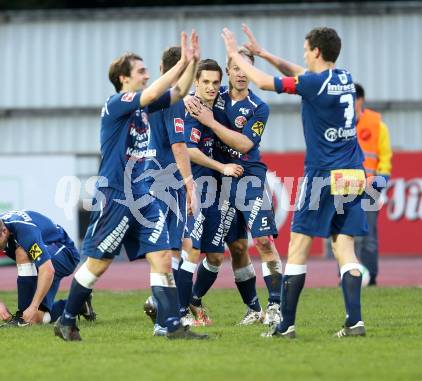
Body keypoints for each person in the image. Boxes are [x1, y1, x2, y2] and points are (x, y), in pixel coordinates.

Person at [54, 31, 207, 341]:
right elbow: (154, 93)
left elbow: (177, 92)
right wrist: (181, 62)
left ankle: (171, 325)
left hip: (142, 195)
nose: (148, 74)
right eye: (141, 71)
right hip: (115, 196)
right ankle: (66, 319)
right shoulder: (118, 103)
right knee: (98, 263)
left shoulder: (141, 107)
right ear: (124, 79)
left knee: (162, 256)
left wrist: (191, 63)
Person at [222, 24, 368, 338]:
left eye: (306, 48)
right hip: (355, 172)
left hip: (323, 176)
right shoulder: (341, 77)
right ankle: (354, 322)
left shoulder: (315, 84)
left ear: (316, 51)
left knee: (298, 246)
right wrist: (263, 54)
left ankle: (285, 325)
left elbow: (262, 81)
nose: (303, 53)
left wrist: (236, 54)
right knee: (345, 247)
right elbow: (299, 73)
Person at [187, 47, 283, 326]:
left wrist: (211, 123)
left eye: (247, 68)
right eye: (236, 67)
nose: (241, 73)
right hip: (219, 181)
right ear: (227, 71)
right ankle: (252, 309)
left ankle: (275, 306)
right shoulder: (212, 97)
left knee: (264, 241)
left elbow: (244, 144)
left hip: (249, 176)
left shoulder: (259, 107)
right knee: (234, 249)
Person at [141, 44, 198, 336]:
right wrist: (190, 186)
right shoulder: (174, 102)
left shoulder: (149, 98)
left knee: (166, 249)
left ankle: (167, 311)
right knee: (171, 249)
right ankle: (167, 314)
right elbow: (178, 145)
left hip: (146, 178)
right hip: (167, 180)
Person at [326, 83, 392, 286]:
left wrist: (380, 181)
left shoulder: (377, 125)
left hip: (370, 187)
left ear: (359, 100)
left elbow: (385, 159)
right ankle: (345, 277)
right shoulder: (335, 126)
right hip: (344, 187)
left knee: (368, 235)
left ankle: (371, 279)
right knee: (343, 233)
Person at [0, 210, 95, 327]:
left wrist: (33, 307)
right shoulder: (4, 228)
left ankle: (21, 319)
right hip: (41, 257)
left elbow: (47, 269)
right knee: (36, 318)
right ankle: (80, 303)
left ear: (4, 231)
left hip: (63, 252)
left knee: (22, 252)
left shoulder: (24, 231)